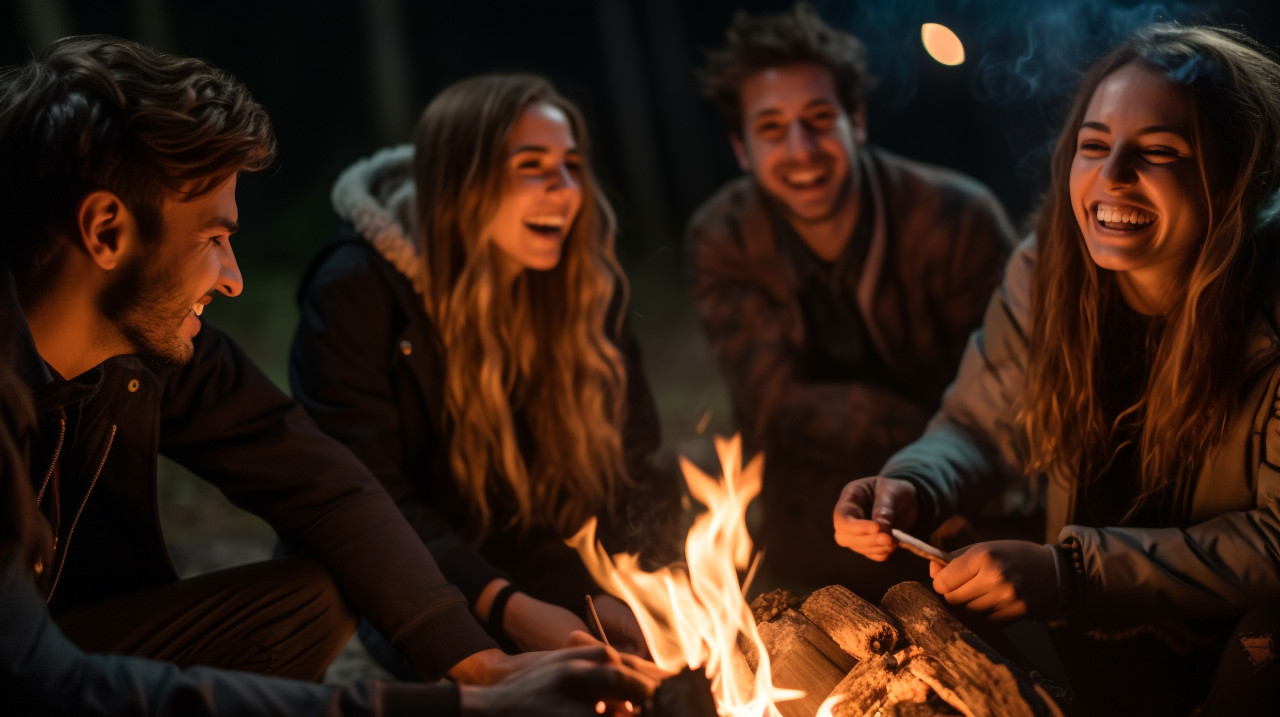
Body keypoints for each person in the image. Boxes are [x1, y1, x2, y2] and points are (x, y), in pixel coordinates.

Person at [0, 34, 658, 712]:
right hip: (31, 670)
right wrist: (462, 707)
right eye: (213, 238)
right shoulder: (355, 291)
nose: (232, 278)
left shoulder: (142, 356)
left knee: (313, 594)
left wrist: (477, 661)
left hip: (58, 641)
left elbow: (324, 482)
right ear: (106, 230)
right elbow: (36, 678)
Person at [834, 24, 1280, 715]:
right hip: (1086, 636)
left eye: (1158, 151)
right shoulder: (1050, 271)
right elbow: (979, 426)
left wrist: (1074, 571)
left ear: (1239, 176)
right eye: (1093, 145)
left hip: (1234, 659)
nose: (1111, 176)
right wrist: (911, 483)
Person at [290, 73, 672, 664]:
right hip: (414, 578)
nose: (565, 188)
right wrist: (507, 608)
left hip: (541, 562)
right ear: (459, 181)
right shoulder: (358, 290)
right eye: (531, 165)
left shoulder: (583, 288)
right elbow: (369, 501)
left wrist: (631, 588)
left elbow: (633, 463)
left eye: (572, 165)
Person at [686, 3, 1017, 592]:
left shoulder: (956, 218)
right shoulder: (724, 235)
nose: (802, 148)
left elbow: (1009, 395)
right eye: (771, 129)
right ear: (741, 149)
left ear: (856, 121)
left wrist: (930, 468)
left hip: (957, 519)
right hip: (803, 524)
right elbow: (774, 403)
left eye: (819, 118)